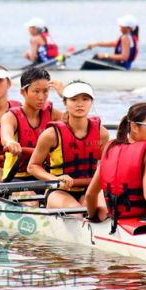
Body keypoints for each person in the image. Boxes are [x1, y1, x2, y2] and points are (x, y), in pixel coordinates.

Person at [27, 81, 109, 209]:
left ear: (91, 102)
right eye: (74, 99)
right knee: (75, 211)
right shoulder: (51, 134)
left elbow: (103, 163)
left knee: (102, 211)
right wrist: (55, 179)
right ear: (65, 103)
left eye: (85, 99)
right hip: (59, 190)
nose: (80, 104)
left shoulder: (101, 132)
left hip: (89, 188)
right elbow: (32, 167)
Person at [0, 67, 65, 185]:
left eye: (45, 91)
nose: (41, 97)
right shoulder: (11, 116)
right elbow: (5, 135)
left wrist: (65, 96)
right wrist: (10, 142)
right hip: (16, 178)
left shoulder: (52, 113)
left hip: (45, 176)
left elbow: (80, 124)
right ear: (23, 92)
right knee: (32, 201)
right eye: (36, 91)